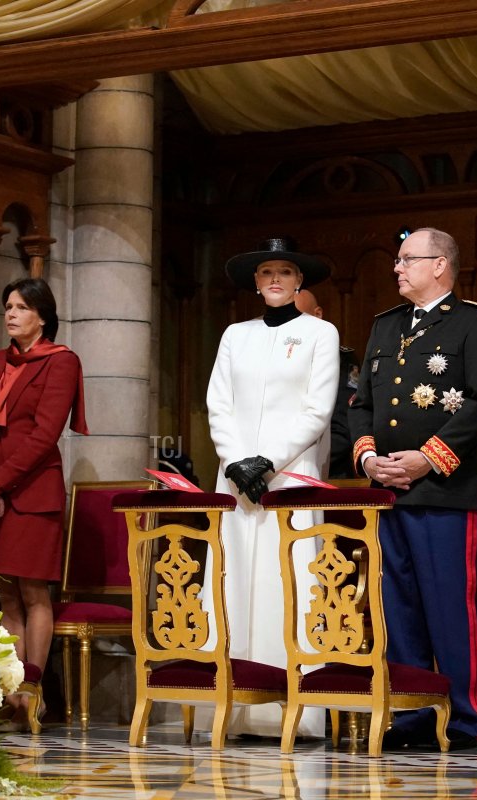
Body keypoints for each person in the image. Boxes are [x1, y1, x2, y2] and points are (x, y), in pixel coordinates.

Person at [347, 227, 477, 750]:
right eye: (397, 260)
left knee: (446, 607)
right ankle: (411, 716)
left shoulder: (475, 323)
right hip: (387, 491)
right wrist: (368, 458)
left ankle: (462, 719)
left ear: (440, 265)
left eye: (406, 260)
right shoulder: (384, 326)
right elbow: (362, 402)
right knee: (398, 607)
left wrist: (426, 460)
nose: (397, 268)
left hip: (442, 491)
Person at [205, 236, 340, 738]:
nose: (276, 279)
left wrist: (268, 460)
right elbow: (218, 403)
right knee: (234, 579)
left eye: (285, 271)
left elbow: (317, 409)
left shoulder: (320, 333)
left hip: (290, 475)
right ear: (256, 284)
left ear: (299, 280)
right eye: (266, 273)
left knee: (290, 582)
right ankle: (232, 706)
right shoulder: (235, 335)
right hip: (237, 480)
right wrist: (237, 461)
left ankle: (296, 713)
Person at [0, 277, 88, 725]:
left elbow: (42, 437)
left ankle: (33, 690)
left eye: (20, 307)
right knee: (6, 596)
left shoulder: (61, 362)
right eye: (8, 307)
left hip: (33, 494)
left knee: (34, 592)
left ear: (42, 315)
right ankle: (10, 691)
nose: (11, 315)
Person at [296, 288, 360, 479]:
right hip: (272, 470)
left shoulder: (341, 359)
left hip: (327, 470)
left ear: (318, 315)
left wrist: (294, 461)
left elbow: (343, 428)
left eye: (298, 319)